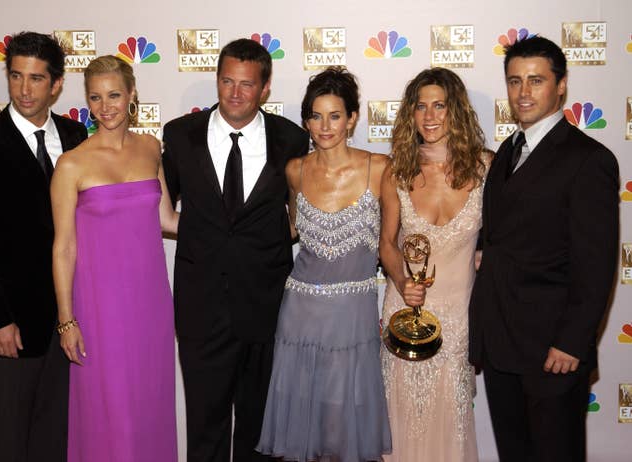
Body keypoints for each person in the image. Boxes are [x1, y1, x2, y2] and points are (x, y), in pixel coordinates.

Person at [468, 35, 619, 462]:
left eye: (536, 80)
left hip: (553, 347)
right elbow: (501, 230)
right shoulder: (506, 154)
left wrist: (572, 342)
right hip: (501, 342)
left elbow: (596, 263)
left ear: (561, 85)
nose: (523, 92)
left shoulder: (589, 160)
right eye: (515, 81)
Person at [161, 38, 309, 462]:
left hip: (266, 307)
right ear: (217, 80)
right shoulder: (179, 135)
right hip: (200, 307)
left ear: (265, 88)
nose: (235, 93)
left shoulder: (292, 140)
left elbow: (299, 216)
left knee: (260, 429)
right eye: (227, 81)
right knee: (205, 426)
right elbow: (156, 205)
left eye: (247, 84)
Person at [0, 32, 87, 462]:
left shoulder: (76, 135)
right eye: (16, 76)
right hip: (10, 324)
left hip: (67, 320)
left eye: (36, 78)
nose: (24, 90)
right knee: (8, 442)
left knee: (55, 439)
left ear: (57, 84)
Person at [256, 67, 392, 461]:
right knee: (306, 431)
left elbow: (396, 240)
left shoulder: (380, 169)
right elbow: (292, 229)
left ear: (352, 118)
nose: (325, 126)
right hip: (300, 313)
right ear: (306, 121)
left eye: (335, 115)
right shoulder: (295, 171)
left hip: (351, 317)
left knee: (341, 431)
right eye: (316, 116)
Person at [51, 55, 179, 462]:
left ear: (131, 95)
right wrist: (67, 319)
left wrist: (237, 225)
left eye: (113, 95)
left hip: (150, 302)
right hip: (99, 307)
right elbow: (64, 247)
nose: (104, 106)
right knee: (109, 412)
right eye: (94, 97)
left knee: (148, 404)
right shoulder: (71, 164)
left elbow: (168, 219)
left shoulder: (151, 147)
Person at [379, 67, 490, 461]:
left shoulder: (486, 168)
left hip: (459, 322)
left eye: (439, 105)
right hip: (404, 316)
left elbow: (508, 236)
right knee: (401, 421)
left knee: (451, 426)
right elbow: (387, 245)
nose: (429, 116)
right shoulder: (398, 170)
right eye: (420, 106)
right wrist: (401, 278)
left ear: (455, 110)